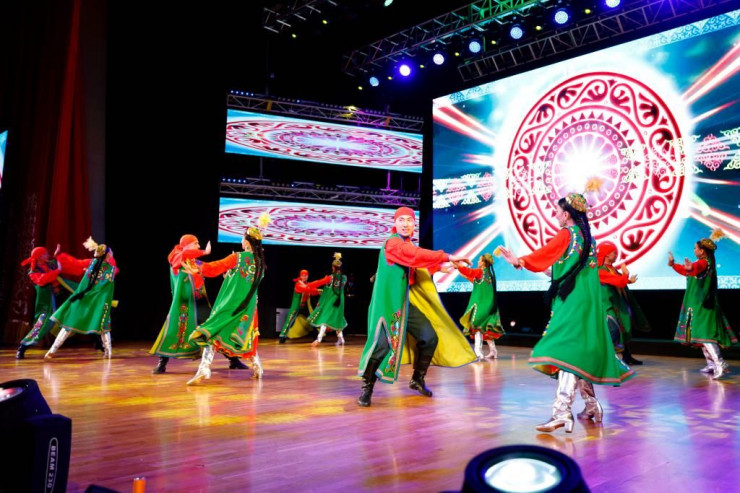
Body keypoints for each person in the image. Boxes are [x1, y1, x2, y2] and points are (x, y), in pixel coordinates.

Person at [500, 193, 634, 432]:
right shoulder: (587, 239)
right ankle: (592, 406)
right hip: (585, 303)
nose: (555, 215)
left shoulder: (567, 234)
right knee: (577, 354)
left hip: (572, 303)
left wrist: (519, 260)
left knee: (564, 353)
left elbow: (545, 254)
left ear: (566, 214)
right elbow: (565, 270)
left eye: (557, 211)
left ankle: (562, 412)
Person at [357, 207, 476, 407]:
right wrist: (446, 257)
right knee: (382, 346)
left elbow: (416, 264)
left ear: (414, 224)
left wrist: (440, 267)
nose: (405, 224)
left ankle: (417, 379)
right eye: (401, 220)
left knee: (429, 337)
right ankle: (367, 386)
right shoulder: (393, 243)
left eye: (409, 220)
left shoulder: (407, 244)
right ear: (395, 223)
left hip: (405, 305)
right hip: (388, 305)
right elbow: (412, 255)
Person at [186, 217, 268, 385]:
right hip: (248, 308)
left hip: (231, 305)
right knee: (246, 337)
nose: (241, 240)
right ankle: (258, 367)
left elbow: (216, 266)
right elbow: (246, 283)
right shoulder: (261, 264)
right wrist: (230, 276)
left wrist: (198, 267)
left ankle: (204, 368)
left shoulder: (238, 257)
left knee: (213, 332)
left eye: (242, 237)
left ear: (247, 242)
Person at [150, 234, 248, 374]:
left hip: (200, 301)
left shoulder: (195, 263)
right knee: (173, 330)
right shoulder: (176, 258)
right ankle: (162, 362)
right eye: (196, 244)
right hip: (183, 304)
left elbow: (211, 268)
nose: (198, 246)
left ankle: (233, 360)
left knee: (214, 330)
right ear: (187, 245)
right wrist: (204, 252)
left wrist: (230, 269)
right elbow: (182, 256)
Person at [669, 232, 737, 379]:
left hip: (703, 306)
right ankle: (711, 364)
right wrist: (674, 265)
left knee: (705, 336)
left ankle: (720, 363)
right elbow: (688, 270)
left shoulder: (704, 263)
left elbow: (695, 268)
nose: (694, 250)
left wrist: (690, 268)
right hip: (696, 304)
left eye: (695, 248)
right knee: (699, 335)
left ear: (702, 251)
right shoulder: (702, 263)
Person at [45, 237, 118, 360]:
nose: (112, 253)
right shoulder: (111, 270)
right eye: (111, 252)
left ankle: (52, 351)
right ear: (108, 255)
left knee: (68, 325)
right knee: (104, 327)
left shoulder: (91, 264)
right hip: (98, 302)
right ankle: (108, 352)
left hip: (84, 299)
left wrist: (59, 257)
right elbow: (108, 290)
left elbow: (76, 267)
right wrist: (105, 303)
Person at [16, 245, 87, 358]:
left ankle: (98, 342)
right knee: (42, 323)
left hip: (61, 296)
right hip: (47, 303)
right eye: (45, 254)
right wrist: (56, 271)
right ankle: (23, 347)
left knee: (81, 309)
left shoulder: (49, 264)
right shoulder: (33, 271)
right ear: (39, 257)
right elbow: (43, 279)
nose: (47, 255)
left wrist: (57, 255)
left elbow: (59, 263)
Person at [596, 241, 651, 365]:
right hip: (608, 305)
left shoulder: (612, 269)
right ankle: (604, 359)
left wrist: (628, 280)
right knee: (614, 330)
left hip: (619, 304)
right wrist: (625, 274)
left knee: (624, 329)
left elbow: (619, 280)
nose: (616, 255)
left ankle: (626, 356)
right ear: (606, 255)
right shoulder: (600, 270)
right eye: (613, 253)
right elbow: (619, 281)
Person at [458, 253, 504, 360]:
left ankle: (478, 352)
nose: (478, 261)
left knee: (477, 326)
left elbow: (468, 271)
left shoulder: (480, 272)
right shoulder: (489, 274)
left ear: (483, 263)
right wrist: (460, 270)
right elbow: (474, 280)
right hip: (489, 306)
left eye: (479, 260)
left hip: (482, 306)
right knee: (486, 328)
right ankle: (493, 351)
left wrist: (457, 265)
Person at [278, 269, 330, 343]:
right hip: (297, 306)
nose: (304, 277)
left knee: (313, 318)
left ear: (307, 276)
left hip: (306, 307)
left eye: (305, 275)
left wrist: (320, 291)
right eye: (302, 275)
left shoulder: (307, 284)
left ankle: (317, 336)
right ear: (300, 276)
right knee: (289, 319)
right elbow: (308, 288)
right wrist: (323, 281)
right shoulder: (298, 284)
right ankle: (282, 336)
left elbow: (312, 289)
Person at [308, 253, 348, 346]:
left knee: (325, 319)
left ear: (333, 267)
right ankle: (341, 339)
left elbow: (319, 283)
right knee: (338, 318)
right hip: (340, 300)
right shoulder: (344, 278)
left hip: (331, 300)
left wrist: (308, 285)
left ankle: (319, 339)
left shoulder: (330, 278)